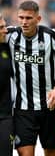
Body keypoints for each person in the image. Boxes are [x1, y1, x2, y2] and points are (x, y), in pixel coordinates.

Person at [3, 0, 55, 156]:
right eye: (21, 17)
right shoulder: (10, 35)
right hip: (22, 110)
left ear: (38, 19)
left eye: (28, 18)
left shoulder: (51, 36)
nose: (24, 22)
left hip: (50, 107)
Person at [0, 15, 14, 156]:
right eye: (1, 27)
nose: (5, 30)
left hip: (5, 116)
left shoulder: (7, 48)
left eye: (5, 26)